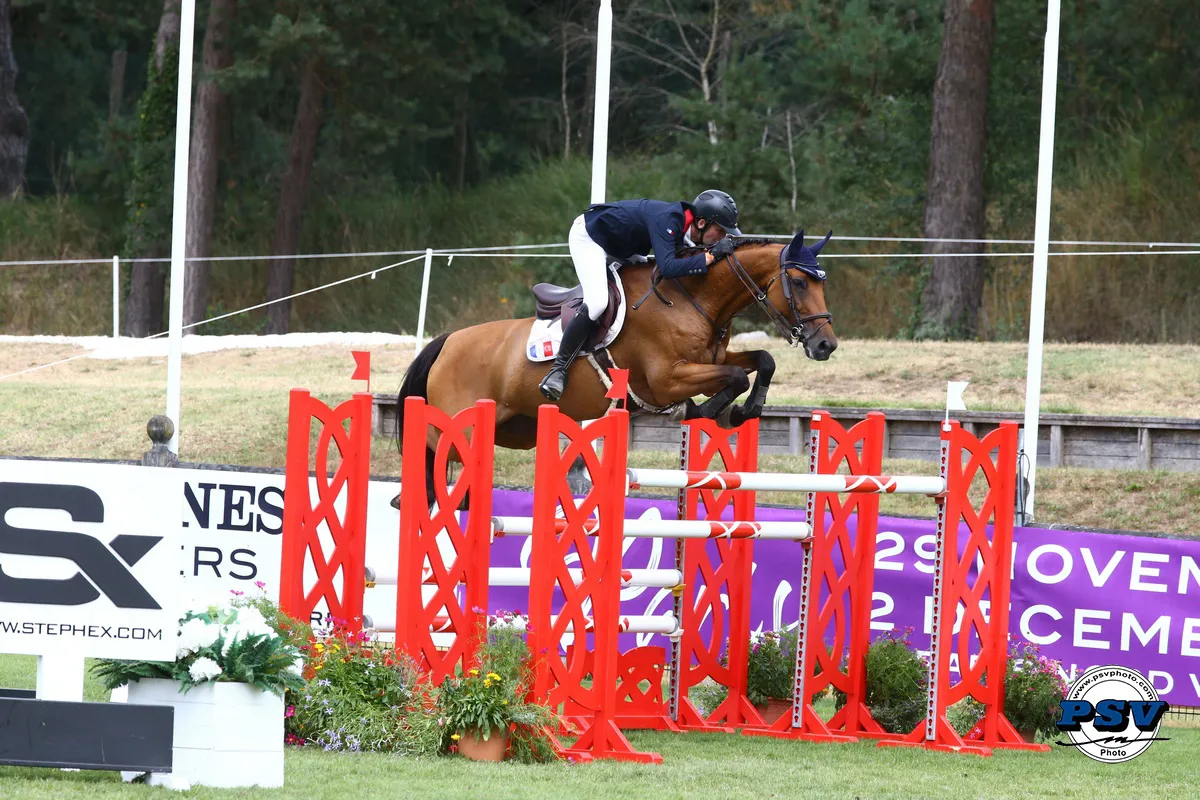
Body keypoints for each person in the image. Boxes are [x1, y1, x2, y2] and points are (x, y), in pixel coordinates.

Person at [538, 189, 743, 401]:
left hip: (622, 246)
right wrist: (710, 257)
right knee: (598, 302)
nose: (720, 238)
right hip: (591, 238)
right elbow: (669, 268)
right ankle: (558, 370)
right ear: (701, 224)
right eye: (719, 231)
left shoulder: (686, 229)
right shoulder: (669, 220)